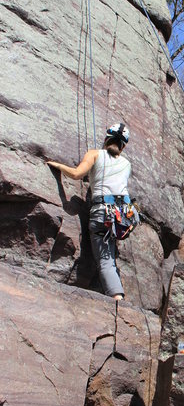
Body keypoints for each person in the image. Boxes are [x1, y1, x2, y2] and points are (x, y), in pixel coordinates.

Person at [47, 123, 133, 301]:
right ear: (123, 146)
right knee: (110, 255)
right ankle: (118, 295)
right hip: (123, 216)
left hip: (102, 213)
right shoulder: (127, 164)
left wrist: (57, 165)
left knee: (105, 261)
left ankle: (117, 299)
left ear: (106, 138)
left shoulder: (95, 154)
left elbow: (77, 174)